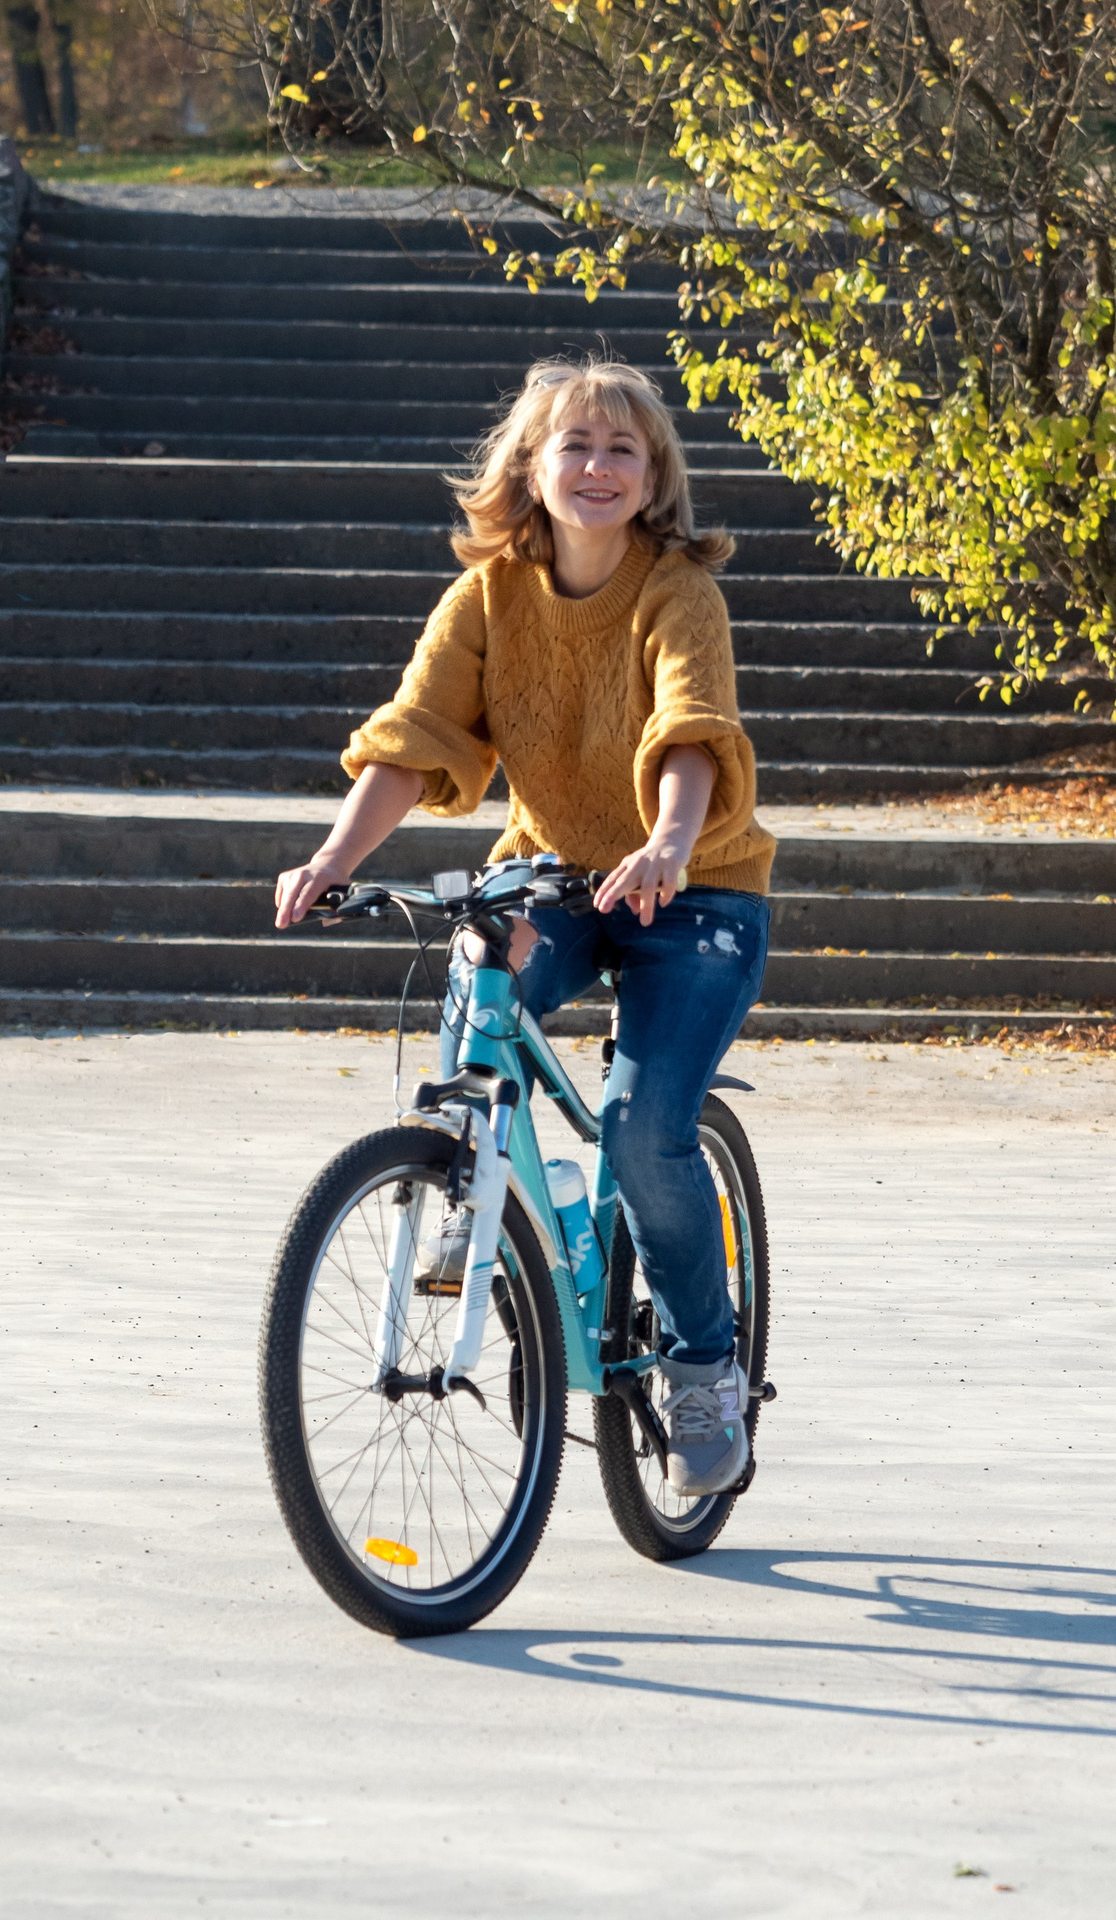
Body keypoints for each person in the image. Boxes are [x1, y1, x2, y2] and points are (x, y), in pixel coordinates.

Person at [272, 358, 776, 1497]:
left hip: (697, 889)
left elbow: (694, 732)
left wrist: (669, 843)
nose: (596, 468)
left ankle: (703, 1366)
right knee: (468, 1034)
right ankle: (485, 1210)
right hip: (554, 876)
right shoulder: (489, 595)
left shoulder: (676, 589)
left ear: (652, 478)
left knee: (644, 1131)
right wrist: (332, 860)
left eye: (622, 451)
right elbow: (414, 739)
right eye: (575, 448)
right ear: (531, 469)